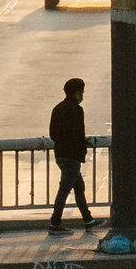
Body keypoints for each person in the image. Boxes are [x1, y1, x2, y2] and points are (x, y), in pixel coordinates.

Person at [47, 76, 97, 231]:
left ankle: (88, 219)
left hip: (61, 154)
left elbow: (53, 133)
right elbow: (79, 134)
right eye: (81, 92)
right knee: (65, 190)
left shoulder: (58, 108)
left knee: (78, 186)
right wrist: (82, 150)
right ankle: (55, 223)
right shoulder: (76, 110)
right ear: (76, 93)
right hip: (72, 156)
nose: (82, 95)